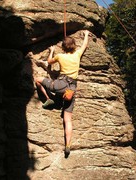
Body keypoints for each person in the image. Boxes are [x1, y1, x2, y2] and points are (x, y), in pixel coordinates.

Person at [35, 30, 90, 158]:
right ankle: (68, 145)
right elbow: (84, 46)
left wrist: (52, 51)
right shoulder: (77, 54)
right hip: (71, 89)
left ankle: (49, 99)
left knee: (38, 80)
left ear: (63, 47)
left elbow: (49, 61)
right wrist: (86, 35)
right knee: (68, 119)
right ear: (74, 46)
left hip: (59, 85)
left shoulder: (60, 56)